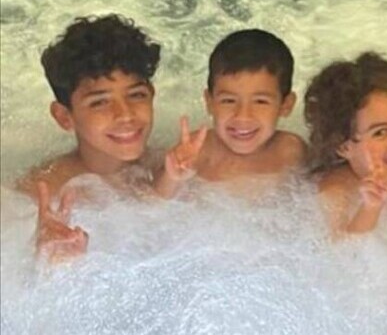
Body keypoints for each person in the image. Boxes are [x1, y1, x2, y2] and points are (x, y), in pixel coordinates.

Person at [19, 14, 161, 262]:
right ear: (64, 117)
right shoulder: (36, 197)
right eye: (100, 102)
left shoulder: (172, 166)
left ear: (152, 95)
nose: (125, 115)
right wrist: (46, 262)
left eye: (136, 95)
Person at [155, 29, 306, 198]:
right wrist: (172, 177)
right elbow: (154, 201)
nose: (243, 116)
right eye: (229, 101)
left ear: (286, 105)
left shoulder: (291, 150)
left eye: (260, 101)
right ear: (210, 102)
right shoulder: (197, 150)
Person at [304, 52, 387, 235]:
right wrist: (371, 208)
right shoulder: (336, 192)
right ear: (343, 146)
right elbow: (342, 248)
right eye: (380, 132)